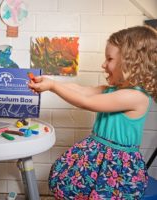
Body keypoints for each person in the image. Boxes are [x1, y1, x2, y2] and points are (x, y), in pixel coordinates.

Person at [28, 25, 157, 199]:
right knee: (69, 184)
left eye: (109, 59)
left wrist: (53, 87)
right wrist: (50, 82)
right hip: (95, 155)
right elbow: (81, 90)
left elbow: (86, 101)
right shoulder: (112, 90)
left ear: (131, 62)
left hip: (116, 167)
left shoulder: (136, 96)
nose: (104, 64)